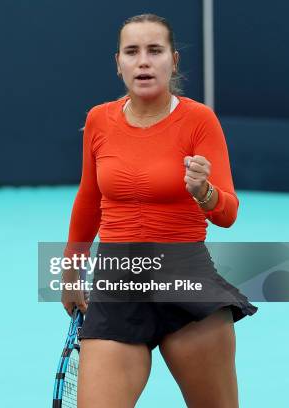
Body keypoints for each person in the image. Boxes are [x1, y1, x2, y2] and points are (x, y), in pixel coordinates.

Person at [62, 14, 257, 407]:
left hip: (186, 282)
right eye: (132, 52)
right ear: (118, 63)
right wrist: (71, 268)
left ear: (174, 60)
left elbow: (227, 213)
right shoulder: (99, 119)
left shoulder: (200, 120)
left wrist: (204, 193)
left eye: (155, 51)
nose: (144, 61)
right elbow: (88, 198)